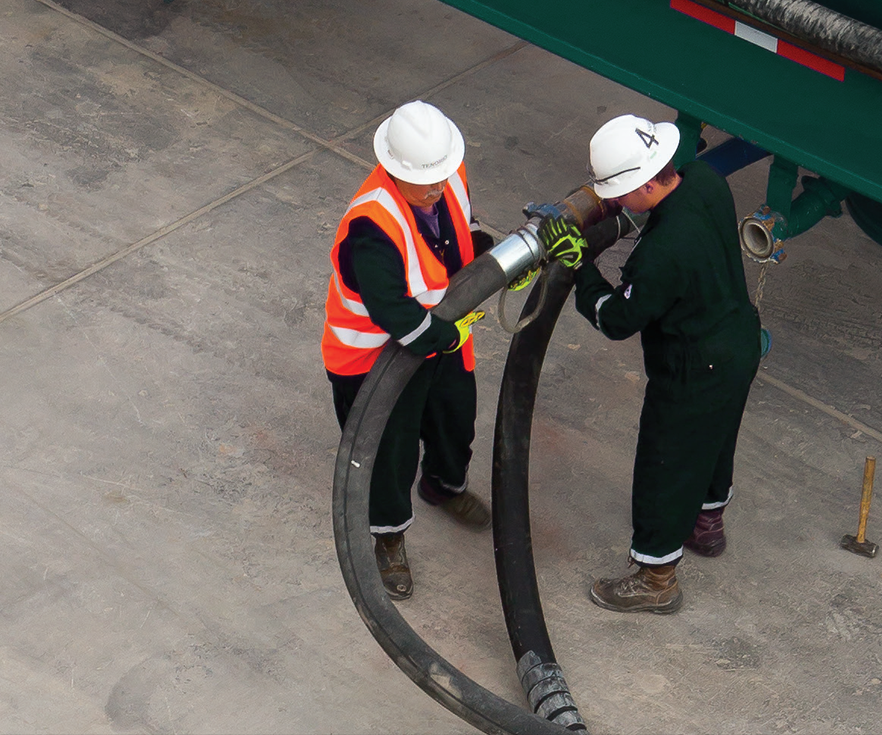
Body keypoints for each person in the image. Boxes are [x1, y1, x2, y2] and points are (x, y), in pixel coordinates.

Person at [542, 114, 764, 614]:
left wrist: (578, 265)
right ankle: (706, 525)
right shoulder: (705, 180)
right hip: (737, 343)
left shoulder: (662, 254)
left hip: (693, 368)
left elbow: (618, 318)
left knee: (667, 464)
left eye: (620, 192)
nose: (615, 201)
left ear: (646, 181)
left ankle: (656, 577)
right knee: (714, 440)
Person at [323, 100, 499, 601]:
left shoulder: (445, 172)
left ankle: (443, 485)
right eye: (428, 181)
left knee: (454, 418)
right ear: (394, 170)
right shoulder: (371, 226)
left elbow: (458, 235)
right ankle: (388, 536)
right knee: (385, 455)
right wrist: (448, 336)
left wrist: (485, 256)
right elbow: (396, 316)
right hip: (372, 360)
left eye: (444, 175)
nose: (439, 187)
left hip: (436, 335)